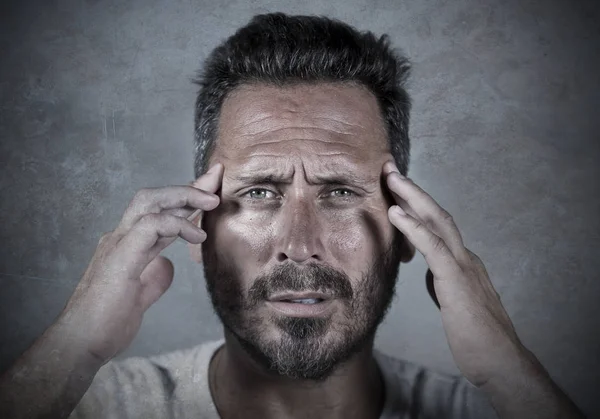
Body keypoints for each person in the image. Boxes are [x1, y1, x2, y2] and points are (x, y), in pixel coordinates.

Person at [0, 12, 586, 419]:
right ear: (195, 224)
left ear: (408, 228)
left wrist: (509, 374)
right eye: (258, 192)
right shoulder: (82, 405)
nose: (299, 245)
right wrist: (73, 347)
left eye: (338, 192)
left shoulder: (496, 410)